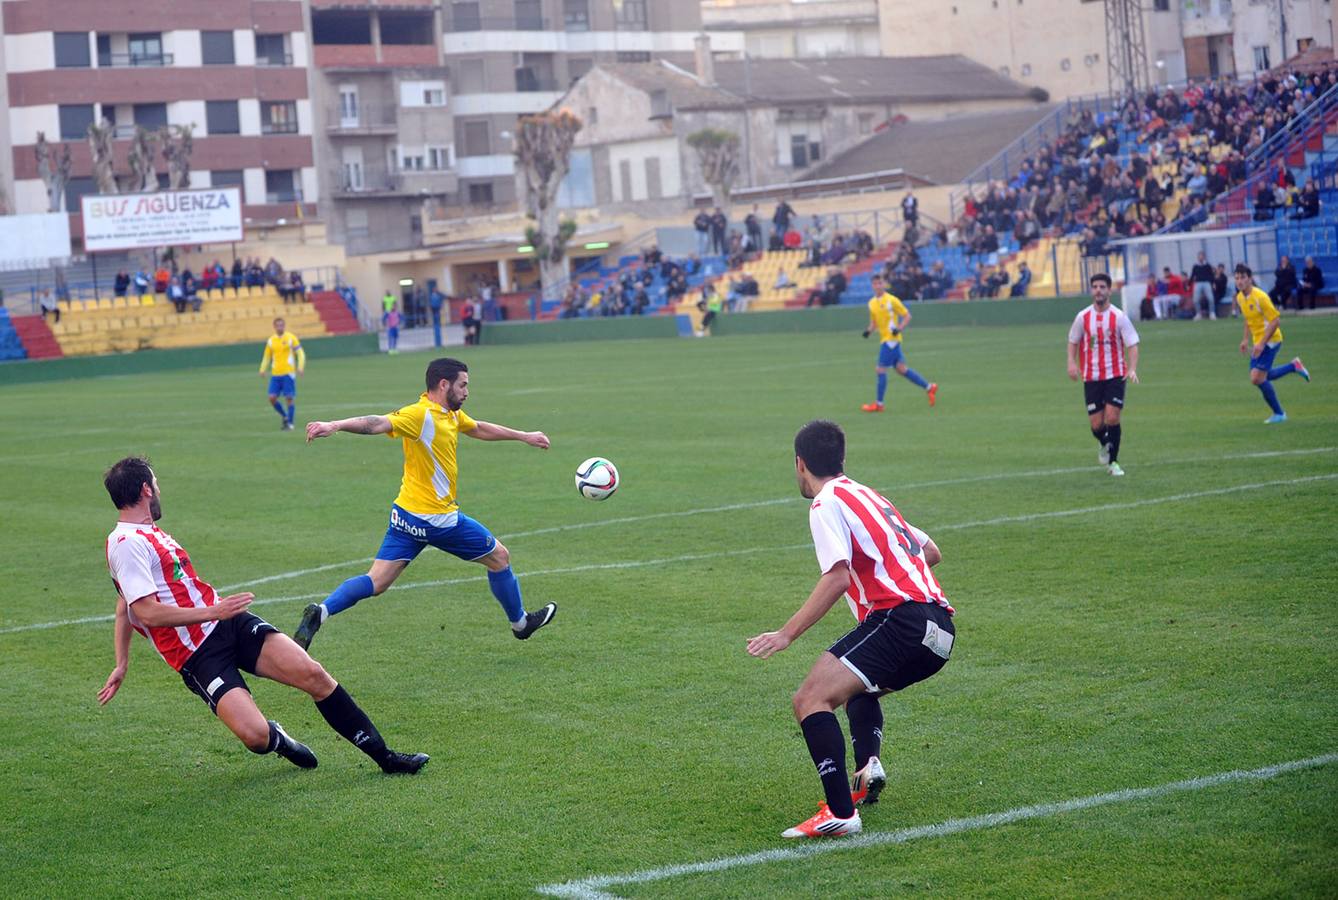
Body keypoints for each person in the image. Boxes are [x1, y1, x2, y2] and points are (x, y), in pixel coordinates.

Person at [98, 456, 428, 775]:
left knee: (312, 674)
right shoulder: (126, 543)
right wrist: (214, 610)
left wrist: (122, 662)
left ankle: (386, 758)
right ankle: (278, 738)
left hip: (229, 624)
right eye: (156, 484)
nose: (159, 491)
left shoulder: (149, 533)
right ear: (145, 490)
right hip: (196, 655)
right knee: (255, 737)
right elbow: (145, 611)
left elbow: (124, 602)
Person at [746, 419, 954, 839]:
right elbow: (930, 551)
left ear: (800, 463)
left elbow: (837, 577)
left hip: (902, 620)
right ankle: (866, 770)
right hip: (941, 631)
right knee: (857, 687)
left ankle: (840, 813)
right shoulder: (871, 497)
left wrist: (786, 634)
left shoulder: (824, 504)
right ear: (841, 458)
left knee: (810, 699)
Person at [294, 358, 557, 650]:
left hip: (405, 517)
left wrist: (524, 436)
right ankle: (520, 624)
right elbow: (378, 423)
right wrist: (335, 425)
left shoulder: (449, 414)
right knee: (500, 558)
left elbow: (478, 427)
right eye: (463, 385)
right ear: (444, 384)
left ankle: (321, 612)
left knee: (376, 581)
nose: (467, 392)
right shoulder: (420, 415)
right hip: (438, 520)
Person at [1066, 273, 1140, 477]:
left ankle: (1114, 462)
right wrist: (1071, 363)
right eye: (1095, 287)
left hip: (1116, 374)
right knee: (1097, 424)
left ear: (1109, 290)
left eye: (1102, 287)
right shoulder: (1083, 317)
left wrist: (1132, 368)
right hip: (1092, 376)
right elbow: (1073, 340)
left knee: (1112, 417)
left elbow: (1132, 344)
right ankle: (1104, 443)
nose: (1098, 290)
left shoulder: (1119, 317)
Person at [1233, 264, 1310, 424]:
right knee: (1261, 376)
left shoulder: (1261, 297)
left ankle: (1280, 414)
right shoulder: (1240, 297)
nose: (1239, 281)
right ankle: (1293, 366)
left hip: (1272, 340)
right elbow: (1248, 318)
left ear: (1250, 278)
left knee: (1256, 378)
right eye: (1237, 278)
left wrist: (1261, 343)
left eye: (1242, 277)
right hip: (1258, 341)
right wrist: (1245, 339)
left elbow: (1276, 321)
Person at [860, 274, 937, 413]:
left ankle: (879, 404)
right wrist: (868, 331)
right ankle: (929, 387)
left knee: (880, 370)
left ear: (884, 284)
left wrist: (899, 328)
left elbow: (907, 315)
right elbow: (874, 323)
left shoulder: (892, 300)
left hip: (891, 340)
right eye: (875, 283)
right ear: (872, 285)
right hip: (887, 340)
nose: (878, 286)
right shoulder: (871, 303)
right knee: (902, 369)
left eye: (880, 283)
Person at [259, 317, 304, 432]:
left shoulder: (291, 338)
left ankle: (290, 423)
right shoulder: (271, 341)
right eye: (278, 325)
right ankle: (285, 416)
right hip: (275, 374)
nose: (280, 327)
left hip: (288, 374)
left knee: (289, 398)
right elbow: (267, 356)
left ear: (284, 326)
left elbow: (300, 353)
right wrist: (262, 369)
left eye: (282, 325)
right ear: (274, 327)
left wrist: (300, 367)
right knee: (272, 398)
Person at [1190, 251, 1216, 320]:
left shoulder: (1208, 265)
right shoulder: (1195, 266)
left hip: (1206, 283)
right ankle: (1198, 314)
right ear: (1198, 257)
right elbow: (1192, 275)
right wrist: (1189, 284)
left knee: (1210, 298)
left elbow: (1211, 275)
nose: (1201, 257)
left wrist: (1213, 283)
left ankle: (1212, 313)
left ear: (1204, 257)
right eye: (1199, 256)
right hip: (1198, 283)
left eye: (1202, 256)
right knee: (1196, 299)